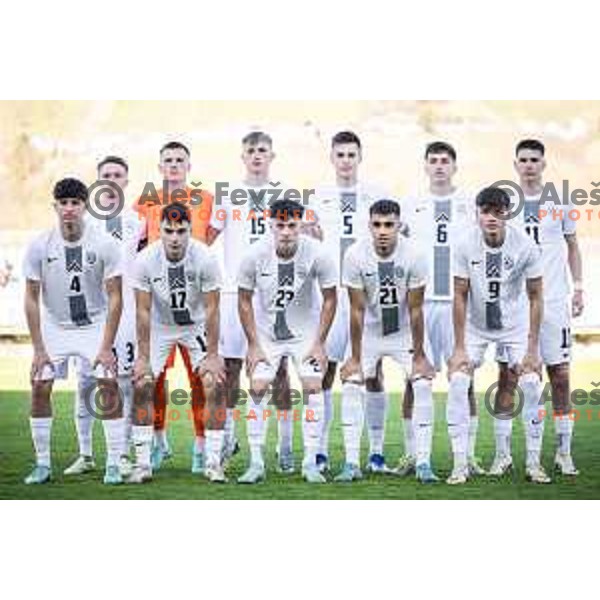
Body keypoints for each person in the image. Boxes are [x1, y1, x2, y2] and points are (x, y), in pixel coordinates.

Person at [22, 178, 124, 485]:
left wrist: (106, 347)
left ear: (85, 206)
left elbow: (116, 297)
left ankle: (115, 464)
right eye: (63, 203)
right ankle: (42, 465)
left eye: (75, 203)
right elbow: (30, 297)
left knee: (108, 385)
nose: (69, 209)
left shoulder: (104, 243)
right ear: (55, 206)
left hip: (94, 324)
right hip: (55, 325)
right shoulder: (40, 245)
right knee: (40, 384)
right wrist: (38, 349)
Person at [206, 131, 294, 472]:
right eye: (250, 151)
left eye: (262, 150)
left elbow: (298, 236)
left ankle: (284, 446)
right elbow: (207, 239)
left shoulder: (284, 193)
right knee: (230, 368)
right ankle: (228, 437)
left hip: (273, 295)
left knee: (280, 370)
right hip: (233, 292)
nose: (256, 155)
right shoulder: (227, 194)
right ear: (242, 157)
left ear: (272, 156)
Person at [447, 186, 547, 484]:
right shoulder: (465, 244)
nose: (491, 217)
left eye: (498, 211)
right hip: (476, 327)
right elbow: (460, 295)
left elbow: (536, 297)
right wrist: (460, 347)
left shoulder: (525, 245)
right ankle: (460, 464)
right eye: (485, 211)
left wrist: (532, 349)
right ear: (477, 214)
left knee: (530, 383)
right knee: (458, 381)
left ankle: (532, 462)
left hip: (514, 327)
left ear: (507, 213)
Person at [496, 139, 583, 476]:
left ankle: (563, 452)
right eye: (523, 160)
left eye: (534, 159)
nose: (529, 165)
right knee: (508, 376)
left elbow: (572, 246)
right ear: (515, 164)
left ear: (544, 164)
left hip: (554, 301)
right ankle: (503, 454)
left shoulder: (560, 201)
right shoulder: (506, 204)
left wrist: (578, 287)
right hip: (515, 304)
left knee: (559, 376)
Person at [398, 142, 484, 477]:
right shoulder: (410, 204)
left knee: (465, 379)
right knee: (413, 379)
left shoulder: (470, 203)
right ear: (425, 166)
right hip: (420, 303)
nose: (438, 166)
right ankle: (411, 454)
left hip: (458, 303)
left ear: (454, 166)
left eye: (444, 161)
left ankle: (470, 454)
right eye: (432, 161)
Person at [237, 199, 337, 484]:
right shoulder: (254, 254)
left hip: (305, 331)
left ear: (300, 224)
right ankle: (256, 462)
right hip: (267, 333)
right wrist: (253, 344)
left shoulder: (317, 253)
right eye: (280, 225)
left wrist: (319, 342)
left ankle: (309, 462)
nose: (286, 232)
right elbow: (243, 300)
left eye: (292, 225)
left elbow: (331, 298)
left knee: (313, 386)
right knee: (257, 387)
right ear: (270, 225)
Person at [338, 199, 436, 482]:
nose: (383, 231)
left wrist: (418, 356)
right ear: (369, 226)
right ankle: (353, 463)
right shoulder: (355, 255)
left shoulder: (415, 255)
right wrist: (355, 359)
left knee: (423, 383)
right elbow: (356, 309)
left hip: (403, 330)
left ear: (399, 225)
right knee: (352, 384)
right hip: (369, 330)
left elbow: (416, 309)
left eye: (389, 225)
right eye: (377, 225)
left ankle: (423, 462)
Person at [129, 202, 226, 483]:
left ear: (189, 231)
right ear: (159, 230)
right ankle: (143, 463)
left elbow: (212, 310)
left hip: (194, 325)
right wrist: (144, 358)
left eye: (181, 231)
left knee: (214, 382)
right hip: (160, 326)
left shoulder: (205, 258)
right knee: (143, 382)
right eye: (168, 231)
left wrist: (213, 354)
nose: (174, 237)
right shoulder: (145, 259)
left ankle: (212, 461)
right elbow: (143, 311)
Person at [134, 141, 214, 473]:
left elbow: (210, 240)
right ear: (160, 166)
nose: (174, 165)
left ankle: (202, 446)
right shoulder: (147, 199)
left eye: (180, 160)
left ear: (189, 165)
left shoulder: (205, 199)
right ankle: (158, 440)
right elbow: (137, 241)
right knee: (155, 377)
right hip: (159, 299)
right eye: (168, 160)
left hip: (192, 299)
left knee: (201, 380)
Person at [314, 131, 392, 473]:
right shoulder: (318, 196)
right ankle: (319, 450)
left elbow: (393, 236)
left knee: (372, 372)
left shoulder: (376, 194)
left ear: (360, 157)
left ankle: (376, 452)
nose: (346, 160)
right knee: (325, 372)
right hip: (330, 296)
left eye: (351, 154)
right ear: (332, 158)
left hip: (366, 295)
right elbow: (309, 241)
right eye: (340, 154)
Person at [64, 156, 145, 478]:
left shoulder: (138, 222)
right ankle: (85, 454)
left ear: (126, 181)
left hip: (124, 313)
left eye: (118, 175)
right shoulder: (85, 221)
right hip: (90, 312)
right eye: (106, 175)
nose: (112, 180)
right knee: (85, 381)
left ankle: (120, 454)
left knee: (123, 382)